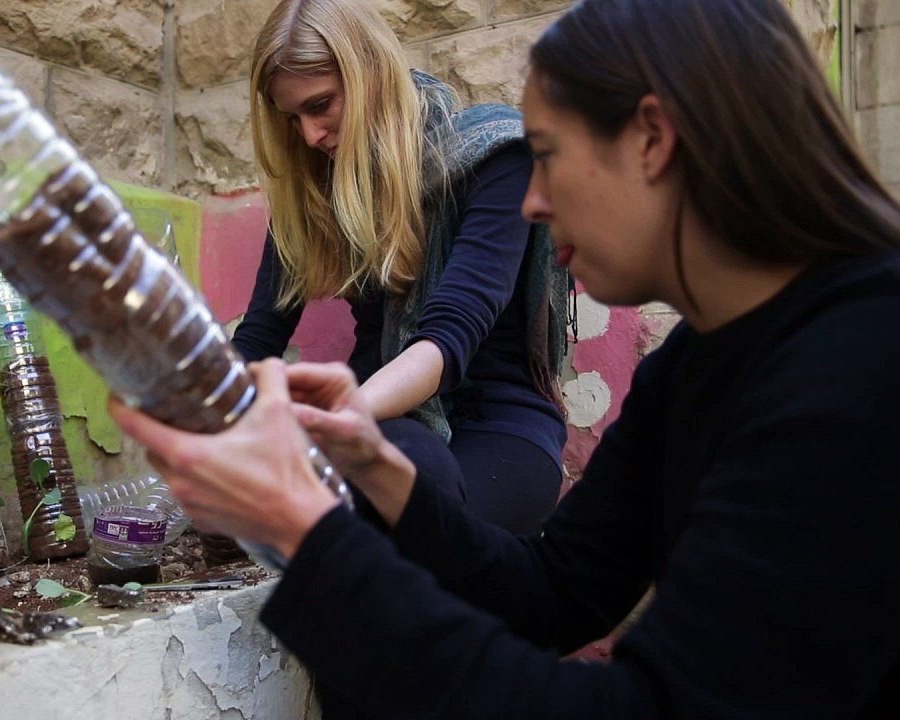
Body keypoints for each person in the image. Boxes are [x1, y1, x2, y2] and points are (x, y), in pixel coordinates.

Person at [112, 0, 900, 716]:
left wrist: (310, 536)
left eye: (547, 155)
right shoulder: (699, 362)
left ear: (653, 139)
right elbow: (551, 593)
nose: (531, 202)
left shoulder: (859, 364)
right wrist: (377, 471)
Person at [228, 0, 570, 535]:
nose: (310, 134)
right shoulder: (314, 193)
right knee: (400, 469)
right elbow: (257, 339)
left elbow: (448, 337)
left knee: (416, 499)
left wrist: (332, 421)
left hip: (496, 423)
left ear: (371, 73)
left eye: (321, 105)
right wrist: (203, 418)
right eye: (292, 118)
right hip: (387, 431)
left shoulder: (496, 158)